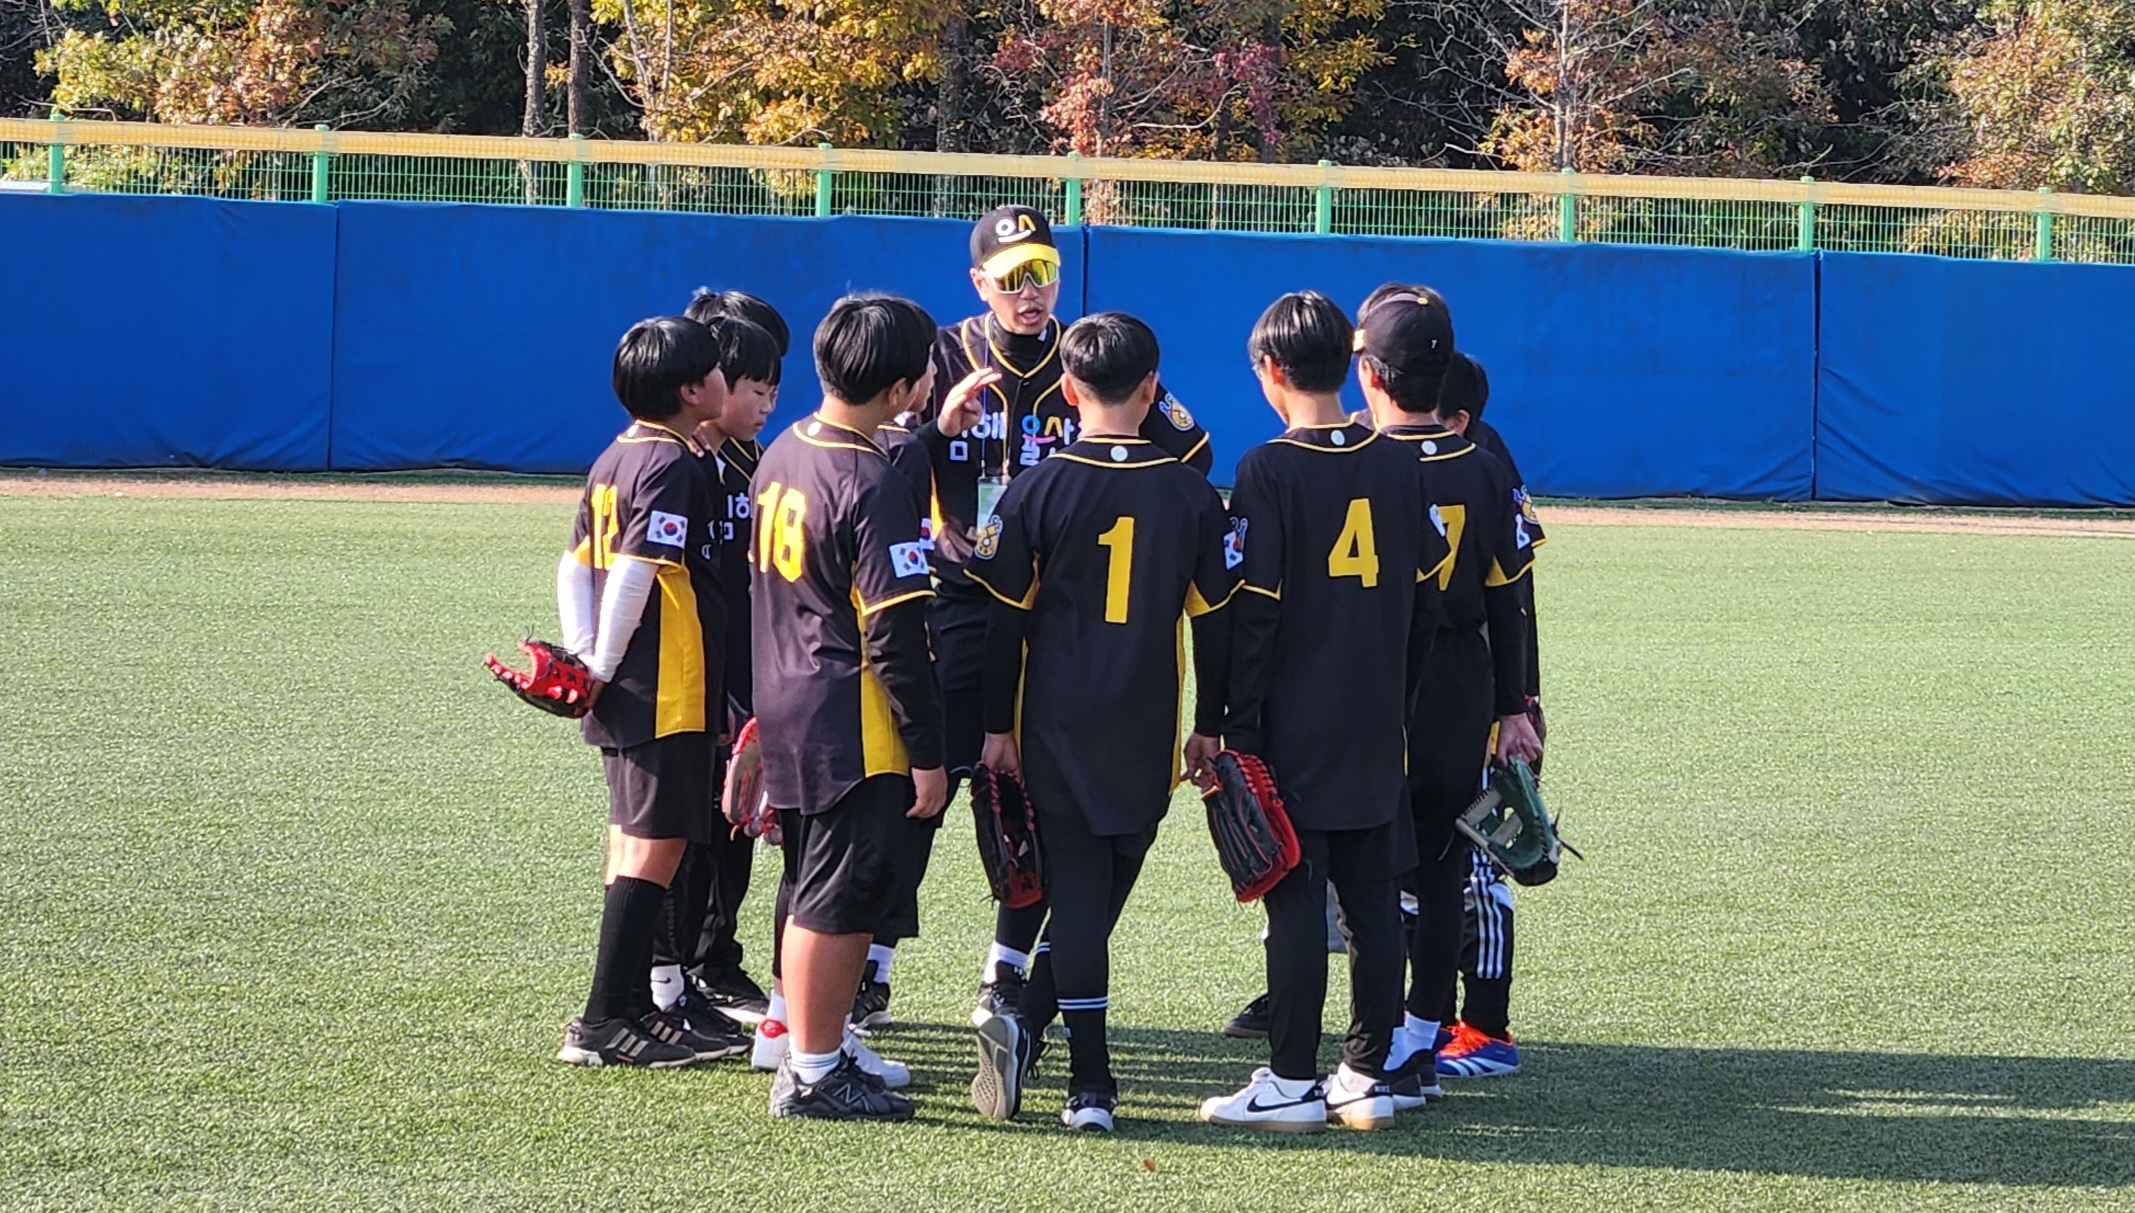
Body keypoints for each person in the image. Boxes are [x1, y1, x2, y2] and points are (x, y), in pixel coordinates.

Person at [916, 205, 1215, 1032]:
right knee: (938, 778)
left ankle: (1005, 966)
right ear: (979, 283)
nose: (1031, 290)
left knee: (1033, 793)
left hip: (1057, 608)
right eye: (1011, 277)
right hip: (963, 595)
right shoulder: (945, 354)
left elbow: (1191, 450)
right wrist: (941, 435)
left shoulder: (1085, 354)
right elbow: (889, 462)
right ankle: (872, 963)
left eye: (1041, 270)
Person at [966, 312, 1240, 1131]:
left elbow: (1001, 623)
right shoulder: (1190, 491)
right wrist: (1210, 724)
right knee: (1096, 885)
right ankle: (1088, 1078)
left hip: (1054, 715)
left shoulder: (1036, 486)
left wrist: (993, 727)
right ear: (1153, 389)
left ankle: (1047, 1044)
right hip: (1148, 720)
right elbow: (1215, 622)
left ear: (1067, 389)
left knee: (1087, 892)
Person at [1194, 292, 1449, 1132]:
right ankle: (1366, 1072)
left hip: (1292, 722)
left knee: (1295, 902)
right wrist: (1397, 700)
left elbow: (1254, 613)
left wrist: (1236, 724)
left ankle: (1291, 1077)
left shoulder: (1268, 468)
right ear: (1349, 366)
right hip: (1377, 715)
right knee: (1373, 900)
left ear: (1269, 372)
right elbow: (1424, 605)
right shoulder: (1398, 460)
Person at [751, 293, 949, 1120]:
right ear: (902, 385)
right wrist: (930, 753)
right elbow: (895, 636)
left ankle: (812, 1045)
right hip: (851, 714)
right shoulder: (871, 477)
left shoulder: (784, 448)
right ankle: (811, 1067)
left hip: (788, 695)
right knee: (834, 898)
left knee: (806, 882)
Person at [1355, 289, 1541, 1110]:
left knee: (1368, 868)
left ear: (1370, 373)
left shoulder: (1360, 464)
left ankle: (1375, 1041)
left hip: (1370, 682)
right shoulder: (1483, 464)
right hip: (1463, 679)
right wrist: (1517, 704)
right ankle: (1421, 1039)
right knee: (1441, 869)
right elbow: (1512, 596)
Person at [554, 317, 748, 1068]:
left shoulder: (616, 454)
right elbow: (636, 568)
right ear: (691, 389)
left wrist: (583, 653)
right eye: (719, 374)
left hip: (630, 680)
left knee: (637, 838)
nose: (728, 385)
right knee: (653, 843)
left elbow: (575, 564)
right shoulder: (669, 462)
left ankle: (632, 1003)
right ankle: (604, 1017)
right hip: (662, 682)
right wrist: (600, 660)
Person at [645, 307, 784, 1029]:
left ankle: (710, 958)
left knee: (732, 827)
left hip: (746, 673)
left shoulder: (755, 465)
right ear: (706, 384)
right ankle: (672, 969)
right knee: (685, 831)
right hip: (692, 678)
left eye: (771, 387)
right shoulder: (686, 467)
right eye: (751, 385)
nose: (765, 402)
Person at [1428, 350, 1548, 1081]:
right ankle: (1434, 1016)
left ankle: (1487, 1024)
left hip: (1483, 693)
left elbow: (1517, 598)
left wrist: (1520, 702)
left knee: (1478, 859)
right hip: (1438, 690)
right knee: (1424, 865)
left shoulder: (1485, 461)